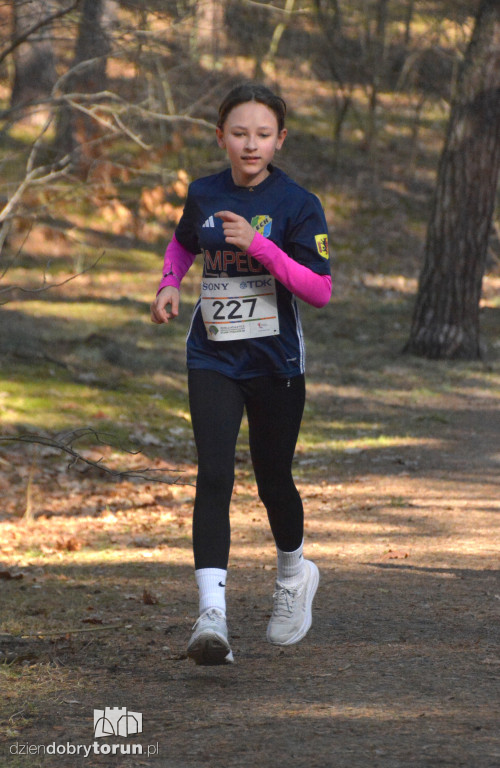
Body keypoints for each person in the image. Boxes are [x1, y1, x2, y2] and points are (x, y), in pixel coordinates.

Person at [150, 82, 331, 665]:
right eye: (239, 133)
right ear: (221, 137)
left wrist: (261, 247)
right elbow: (182, 245)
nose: (250, 144)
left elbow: (319, 291)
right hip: (213, 355)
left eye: (262, 134)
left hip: (276, 362)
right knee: (213, 475)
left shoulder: (298, 203)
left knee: (273, 478)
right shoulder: (204, 193)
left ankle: (294, 574)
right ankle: (212, 616)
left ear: (280, 140)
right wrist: (169, 284)